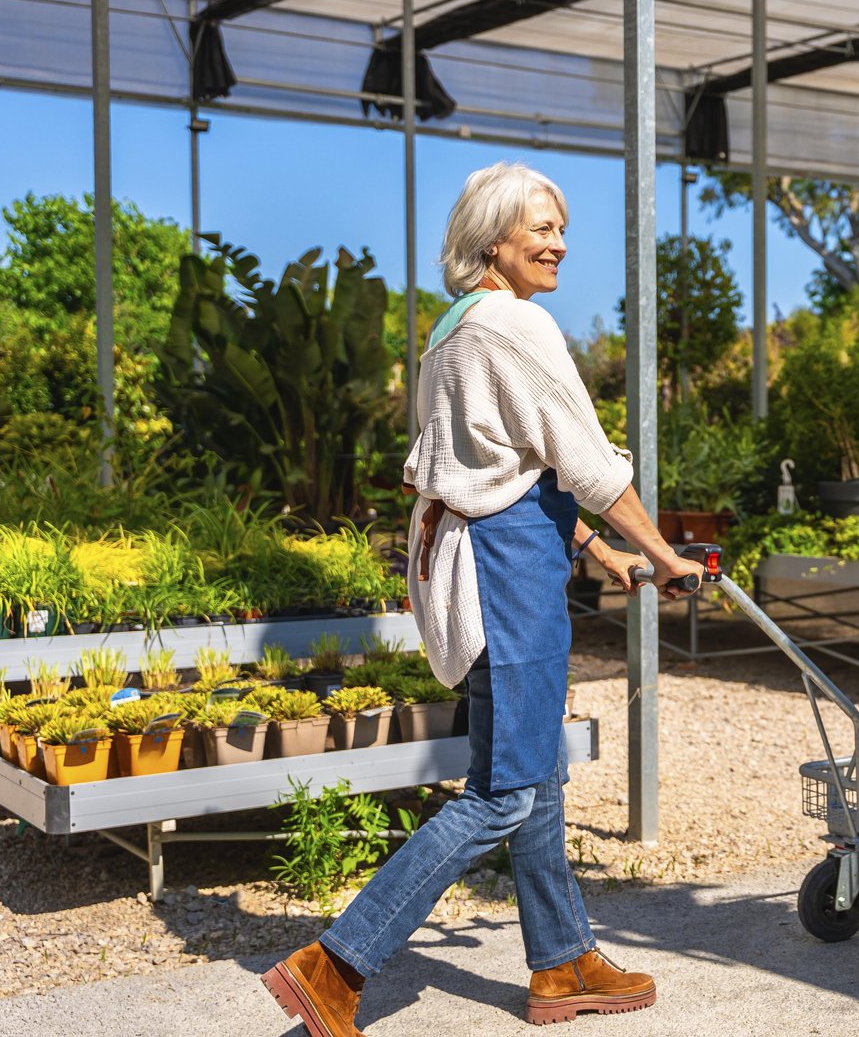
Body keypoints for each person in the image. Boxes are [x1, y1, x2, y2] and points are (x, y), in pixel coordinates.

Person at [262, 162, 705, 1036]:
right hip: (507, 576)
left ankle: (562, 963)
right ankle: (335, 964)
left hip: (492, 555)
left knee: (534, 774)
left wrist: (599, 550)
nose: (558, 244)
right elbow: (582, 460)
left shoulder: (453, 331)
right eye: (540, 228)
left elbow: (503, 467)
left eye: (561, 228)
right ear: (491, 241)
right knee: (504, 791)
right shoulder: (514, 325)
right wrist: (662, 551)